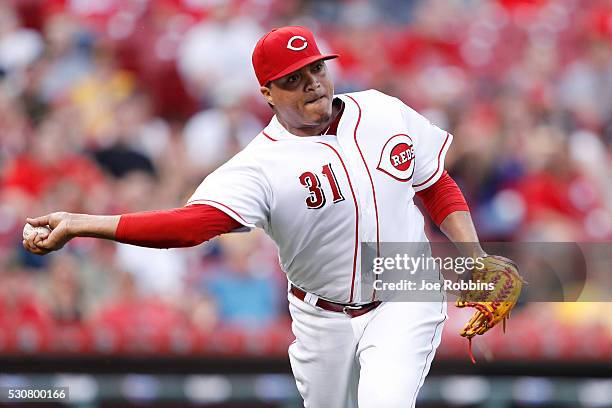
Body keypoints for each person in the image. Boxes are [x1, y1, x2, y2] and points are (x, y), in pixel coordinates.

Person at [24, 26, 487, 408]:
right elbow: (189, 227)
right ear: (266, 93)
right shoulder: (259, 166)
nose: (312, 83)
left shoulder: (383, 111)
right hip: (321, 314)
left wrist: (474, 257)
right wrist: (84, 223)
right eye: (293, 78)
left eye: (316, 68)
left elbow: (434, 183)